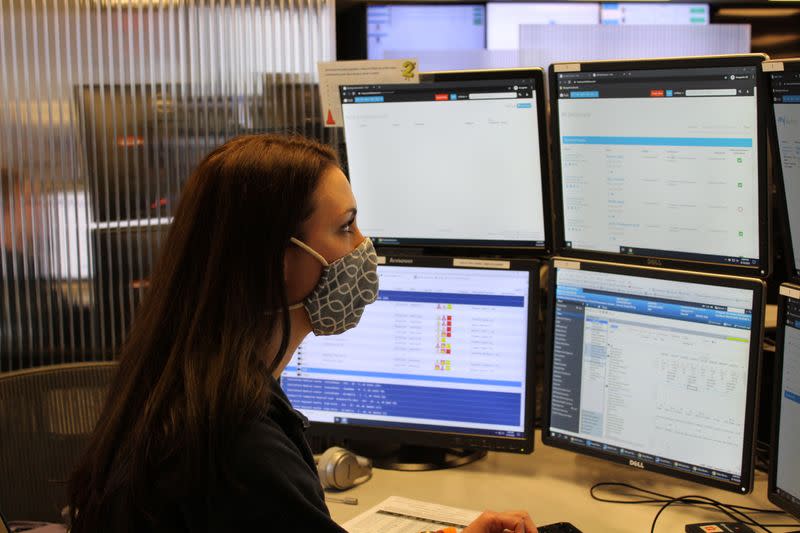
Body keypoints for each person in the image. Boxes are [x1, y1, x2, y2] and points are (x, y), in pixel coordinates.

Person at [67, 135, 537, 533]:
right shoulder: (241, 449)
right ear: (276, 261)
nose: (363, 248)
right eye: (345, 227)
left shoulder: (186, 383)